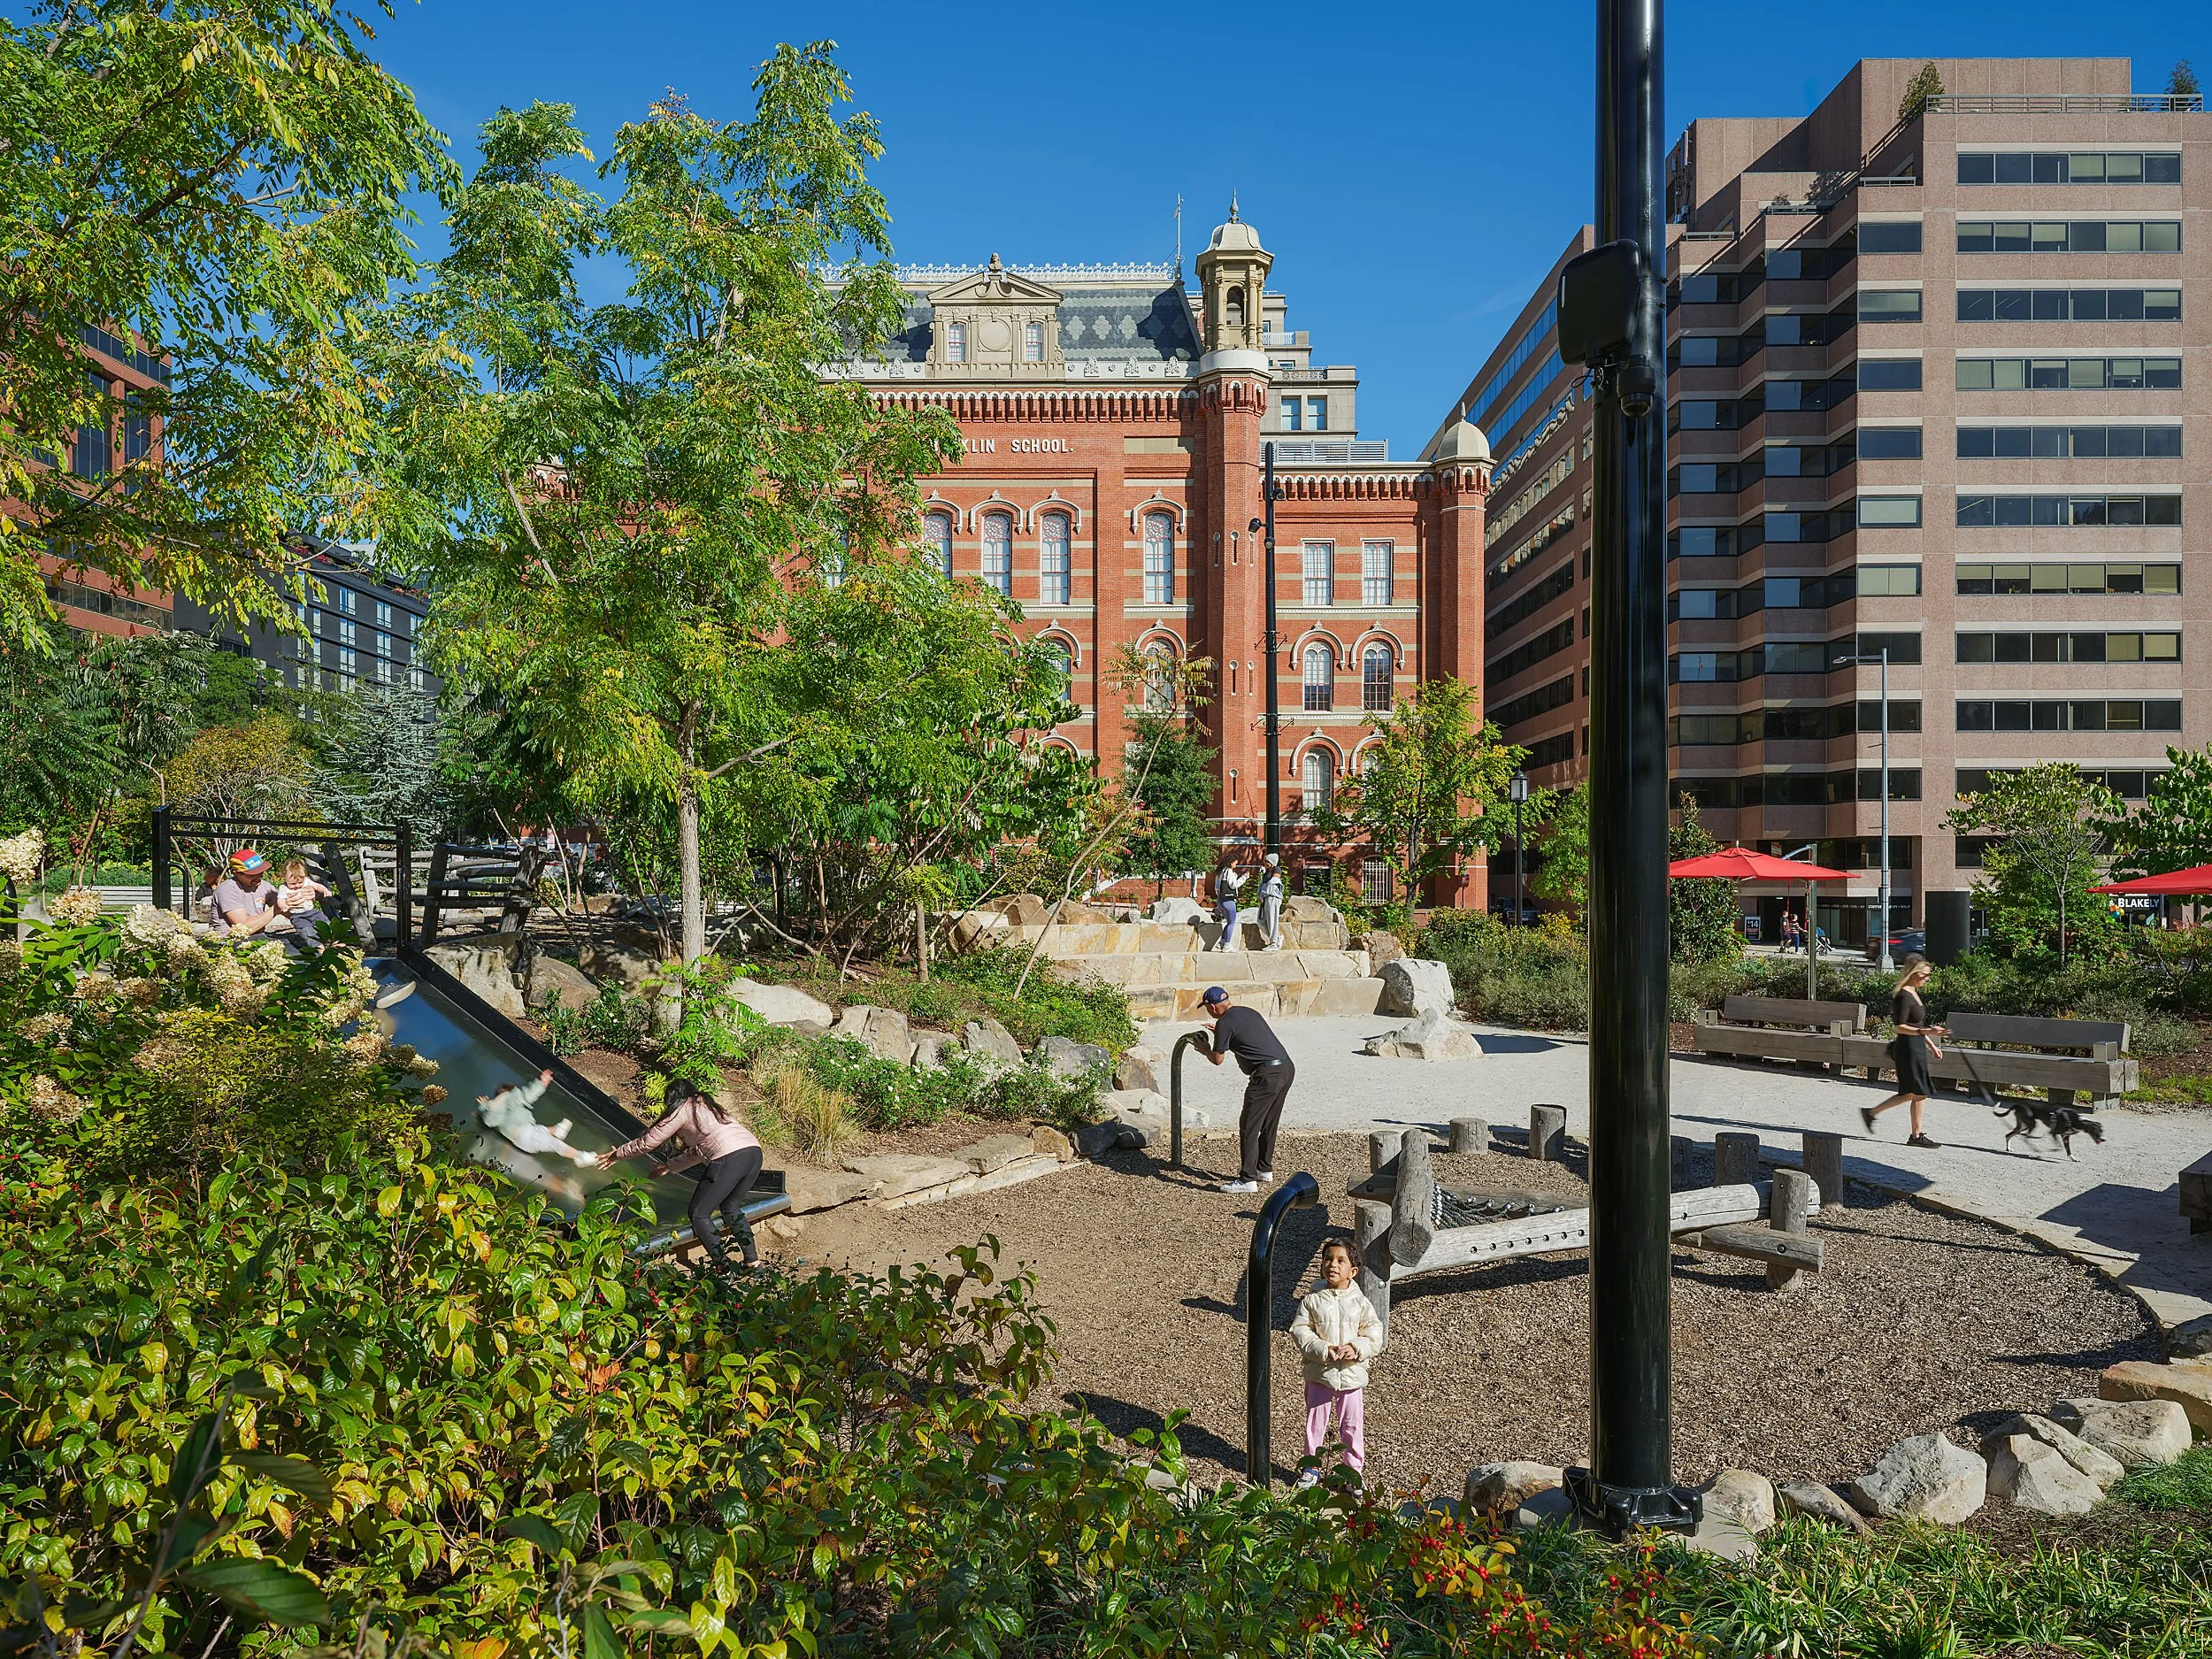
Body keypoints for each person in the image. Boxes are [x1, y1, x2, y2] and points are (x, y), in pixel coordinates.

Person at [605, 1078, 768, 1272]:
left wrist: (618, 1154)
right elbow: (699, 1151)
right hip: (753, 1152)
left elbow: (649, 1141)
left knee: (699, 1214)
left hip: (729, 1157)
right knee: (731, 1208)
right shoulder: (708, 1105)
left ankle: (724, 1270)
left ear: (673, 1099)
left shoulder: (682, 1109)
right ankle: (754, 1264)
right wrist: (669, 1166)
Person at [1289, 1238, 1384, 1488]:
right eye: (1328, 1259)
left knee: (1352, 1426)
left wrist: (1356, 1348)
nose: (1333, 1264)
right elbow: (1300, 1331)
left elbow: (1374, 1334)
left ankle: (1353, 1473)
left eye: (1341, 1261)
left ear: (1353, 1271)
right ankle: (1311, 1468)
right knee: (1315, 1423)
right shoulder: (1312, 1300)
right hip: (1320, 1372)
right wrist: (1323, 1349)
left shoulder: (1361, 1302)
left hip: (1351, 1376)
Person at [1199, 984, 1294, 1194]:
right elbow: (1248, 1038)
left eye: (1207, 1008)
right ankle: (1264, 1169)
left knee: (1249, 1125)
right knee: (1270, 1121)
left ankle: (1247, 1179)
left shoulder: (1223, 1023)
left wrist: (1205, 1049)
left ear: (1213, 1008)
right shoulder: (1248, 1012)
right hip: (1286, 1068)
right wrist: (1223, 1034)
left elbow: (1217, 1059)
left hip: (1266, 1076)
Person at [1863, 954, 1945, 1149]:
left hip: (1916, 1046)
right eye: (1924, 975)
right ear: (1913, 974)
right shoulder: (1903, 996)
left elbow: (1917, 1024)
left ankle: (1872, 1113)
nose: (1927, 978)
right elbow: (1900, 1027)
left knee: (1912, 1092)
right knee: (1919, 1093)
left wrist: (1932, 1044)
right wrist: (1926, 1032)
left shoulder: (1914, 992)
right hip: (1907, 1048)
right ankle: (1916, 1136)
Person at [477, 1067, 598, 1166]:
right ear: (508, 1091)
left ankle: (557, 1130)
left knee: (539, 1130)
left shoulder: (495, 1113)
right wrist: (542, 1083)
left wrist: (485, 1106)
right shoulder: (509, 1098)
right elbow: (527, 1095)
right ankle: (580, 1157)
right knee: (555, 1144)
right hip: (525, 1133)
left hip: (520, 1142)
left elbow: (488, 1120)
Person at [210, 849, 316, 948]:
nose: (258, 877)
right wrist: (276, 909)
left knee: (305, 948)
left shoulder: (265, 886)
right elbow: (243, 928)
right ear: (237, 873)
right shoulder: (227, 889)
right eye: (252, 874)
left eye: (260, 872)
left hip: (258, 939)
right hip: (231, 944)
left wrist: (305, 897)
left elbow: (290, 911)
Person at [274, 858, 333, 947]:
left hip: (312, 911)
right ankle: (317, 946)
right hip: (297, 916)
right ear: (284, 878)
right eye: (293, 884)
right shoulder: (283, 888)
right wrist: (284, 906)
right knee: (306, 930)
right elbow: (280, 899)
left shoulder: (306, 881)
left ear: (304, 876)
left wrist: (325, 890)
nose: (297, 886)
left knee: (325, 922)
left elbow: (317, 886)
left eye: (300, 882)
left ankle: (333, 940)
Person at [1211, 856, 1246, 951]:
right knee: (1232, 923)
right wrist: (1244, 877)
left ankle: (1222, 941)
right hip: (1228, 901)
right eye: (1235, 863)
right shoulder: (1229, 871)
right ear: (1230, 863)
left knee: (1229, 922)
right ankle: (1227, 945)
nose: (1236, 866)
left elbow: (1217, 887)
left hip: (1220, 900)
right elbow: (1234, 885)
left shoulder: (1220, 872)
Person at [1256, 853, 1286, 951]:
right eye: (1265, 861)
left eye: (1267, 861)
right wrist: (1260, 895)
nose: (1265, 863)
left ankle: (1273, 944)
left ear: (1272, 862)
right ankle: (1276, 938)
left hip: (1273, 898)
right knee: (1260, 921)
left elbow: (1273, 884)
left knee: (1272, 920)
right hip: (1265, 898)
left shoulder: (1277, 870)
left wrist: (1262, 894)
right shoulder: (1266, 872)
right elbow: (1263, 884)